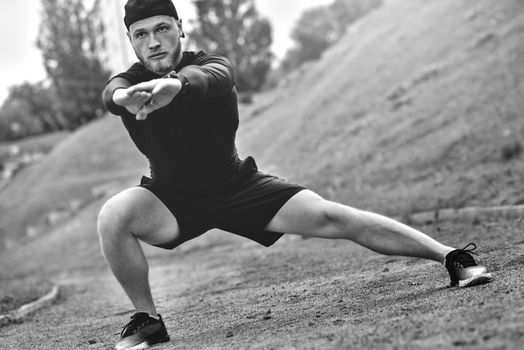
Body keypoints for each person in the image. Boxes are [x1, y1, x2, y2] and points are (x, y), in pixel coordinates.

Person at [99, 0, 493, 349]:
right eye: (142, 34)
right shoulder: (131, 85)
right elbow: (112, 92)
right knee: (113, 216)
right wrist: (121, 98)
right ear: (132, 42)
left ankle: (451, 257)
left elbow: (213, 78)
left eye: (163, 29)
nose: (154, 41)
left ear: (180, 28)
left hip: (237, 185)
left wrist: (176, 86)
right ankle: (148, 321)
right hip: (171, 198)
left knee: (332, 215)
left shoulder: (209, 65)